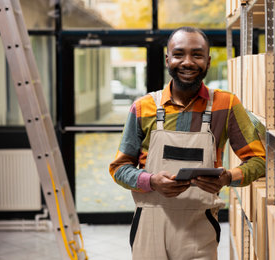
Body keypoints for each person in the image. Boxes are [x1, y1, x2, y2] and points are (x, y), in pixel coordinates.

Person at [109, 26, 266, 260]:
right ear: (167, 59)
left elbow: (259, 161)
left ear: (208, 61)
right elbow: (119, 169)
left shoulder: (227, 104)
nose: (188, 62)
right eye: (179, 54)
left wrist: (227, 177)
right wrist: (151, 181)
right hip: (150, 225)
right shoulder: (143, 107)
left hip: (199, 227)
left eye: (197, 54)